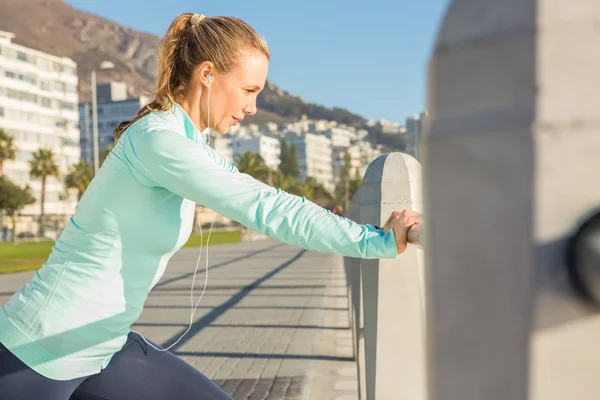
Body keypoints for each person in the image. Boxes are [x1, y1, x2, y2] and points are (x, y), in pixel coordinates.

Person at [0, 12, 422, 400]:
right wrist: (377, 241)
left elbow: (270, 198)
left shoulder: (186, 143)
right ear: (207, 74)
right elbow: (265, 206)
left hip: (101, 347)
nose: (253, 107)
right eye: (249, 90)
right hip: (41, 352)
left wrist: (356, 229)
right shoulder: (159, 140)